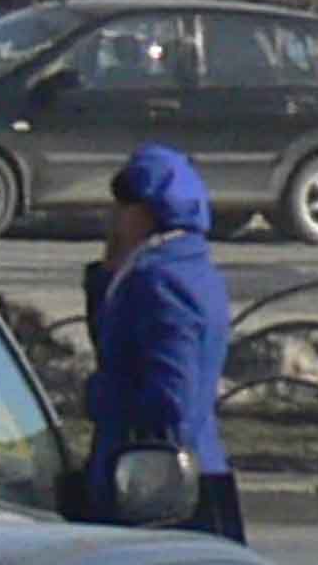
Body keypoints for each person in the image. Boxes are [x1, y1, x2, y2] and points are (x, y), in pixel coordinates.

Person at [75, 143, 244, 534]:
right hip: (179, 474)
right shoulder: (183, 266)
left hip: (157, 488)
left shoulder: (160, 280)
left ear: (148, 213)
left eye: (123, 207)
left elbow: (173, 400)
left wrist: (100, 395)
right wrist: (105, 276)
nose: (114, 218)